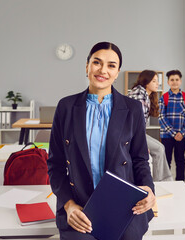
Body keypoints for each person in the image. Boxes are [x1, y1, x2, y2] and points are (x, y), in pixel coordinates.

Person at [47, 42, 156, 240]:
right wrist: (69, 206)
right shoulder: (66, 107)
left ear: (117, 72)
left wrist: (148, 188)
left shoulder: (132, 109)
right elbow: (55, 165)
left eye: (111, 65)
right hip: (79, 204)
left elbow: (140, 158)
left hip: (124, 203)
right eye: (97, 62)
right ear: (86, 66)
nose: (103, 70)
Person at [127, 70, 173, 181]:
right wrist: (141, 144)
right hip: (130, 134)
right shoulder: (139, 93)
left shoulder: (146, 94)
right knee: (158, 149)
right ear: (146, 82)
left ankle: (164, 180)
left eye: (158, 81)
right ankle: (161, 182)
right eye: (154, 81)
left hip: (136, 132)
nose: (157, 84)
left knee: (160, 148)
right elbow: (132, 122)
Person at [158, 70, 185, 181]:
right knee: (166, 160)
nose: (174, 82)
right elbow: (161, 117)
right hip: (167, 136)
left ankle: (180, 183)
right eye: (172, 80)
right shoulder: (164, 98)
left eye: (177, 80)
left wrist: (181, 133)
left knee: (180, 160)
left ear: (180, 81)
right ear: (168, 82)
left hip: (182, 136)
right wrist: (173, 133)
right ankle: (167, 183)